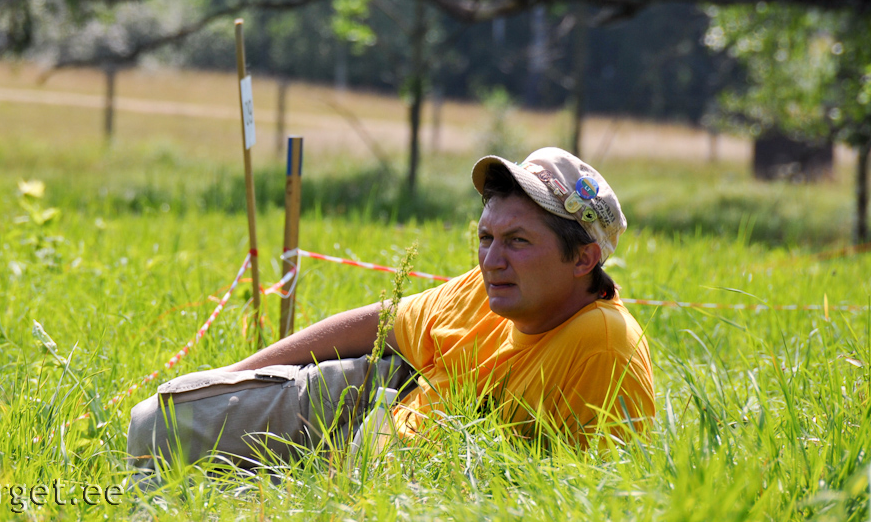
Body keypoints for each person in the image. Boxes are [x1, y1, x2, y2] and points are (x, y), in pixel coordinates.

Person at [127, 148, 654, 469]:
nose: (492, 259)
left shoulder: (602, 343)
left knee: (181, 486)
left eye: (518, 241)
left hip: (405, 500)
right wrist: (237, 374)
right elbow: (382, 323)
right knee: (157, 424)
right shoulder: (484, 290)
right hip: (367, 419)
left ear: (583, 258)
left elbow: (599, 489)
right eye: (486, 236)